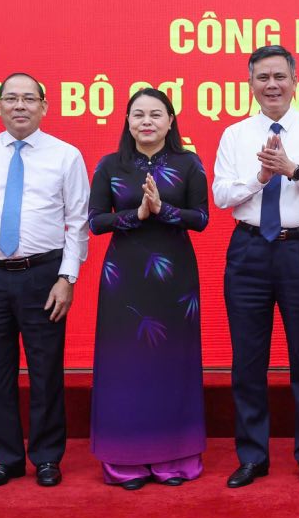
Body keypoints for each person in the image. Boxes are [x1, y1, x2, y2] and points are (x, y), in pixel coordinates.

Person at [0, 72, 89, 489]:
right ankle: (5, 459)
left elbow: (77, 224)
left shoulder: (66, 155)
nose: (20, 106)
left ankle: (46, 457)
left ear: (45, 106)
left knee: (46, 370)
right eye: (11, 98)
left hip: (45, 275)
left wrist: (68, 277)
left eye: (29, 99)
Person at [213, 45, 299, 488]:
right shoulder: (234, 134)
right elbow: (222, 196)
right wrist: (261, 177)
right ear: (250, 84)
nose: (272, 85)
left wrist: (294, 169)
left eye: (280, 77)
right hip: (248, 251)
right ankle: (252, 455)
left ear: (294, 81)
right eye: (263, 77)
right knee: (248, 359)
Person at [87, 88, 209, 490]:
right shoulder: (110, 165)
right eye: (138, 114)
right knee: (127, 365)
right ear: (127, 121)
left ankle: (175, 457)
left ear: (171, 121)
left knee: (175, 363)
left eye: (156, 114)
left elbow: (201, 218)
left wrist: (163, 211)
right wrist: (136, 215)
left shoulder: (188, 163)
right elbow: (96, 222)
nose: (147, 121)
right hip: (125, 279)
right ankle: (127, 461)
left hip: (175, 279)